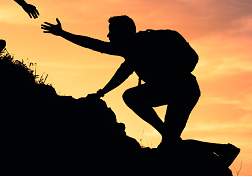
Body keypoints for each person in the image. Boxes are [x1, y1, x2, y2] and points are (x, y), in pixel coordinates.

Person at [41, 16, 200, 148]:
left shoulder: (139, 46)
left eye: (112, 32)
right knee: (170, 142)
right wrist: (102, 92)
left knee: (166, 137)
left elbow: (97, 46)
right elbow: (114, 65)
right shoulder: (133, 50)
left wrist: (63, 34)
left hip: (184, 91)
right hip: (182, 90)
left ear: (123, 33)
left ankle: (172, 137)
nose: (109, 37)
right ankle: (222, 149)